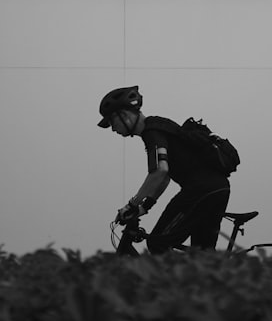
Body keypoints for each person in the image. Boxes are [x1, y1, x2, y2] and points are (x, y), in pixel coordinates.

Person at [98, 86, 230, 254]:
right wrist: (146, 206)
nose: (113, 129)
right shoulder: (159, 126)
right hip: (219, 188)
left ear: (124, 115)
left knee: (157, 244)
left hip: (200, 190)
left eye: (112, 122)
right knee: (203, 254)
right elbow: (165, 176)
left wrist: (132, 204)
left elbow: (159, 171)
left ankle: (171, 280)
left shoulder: (151, 132)